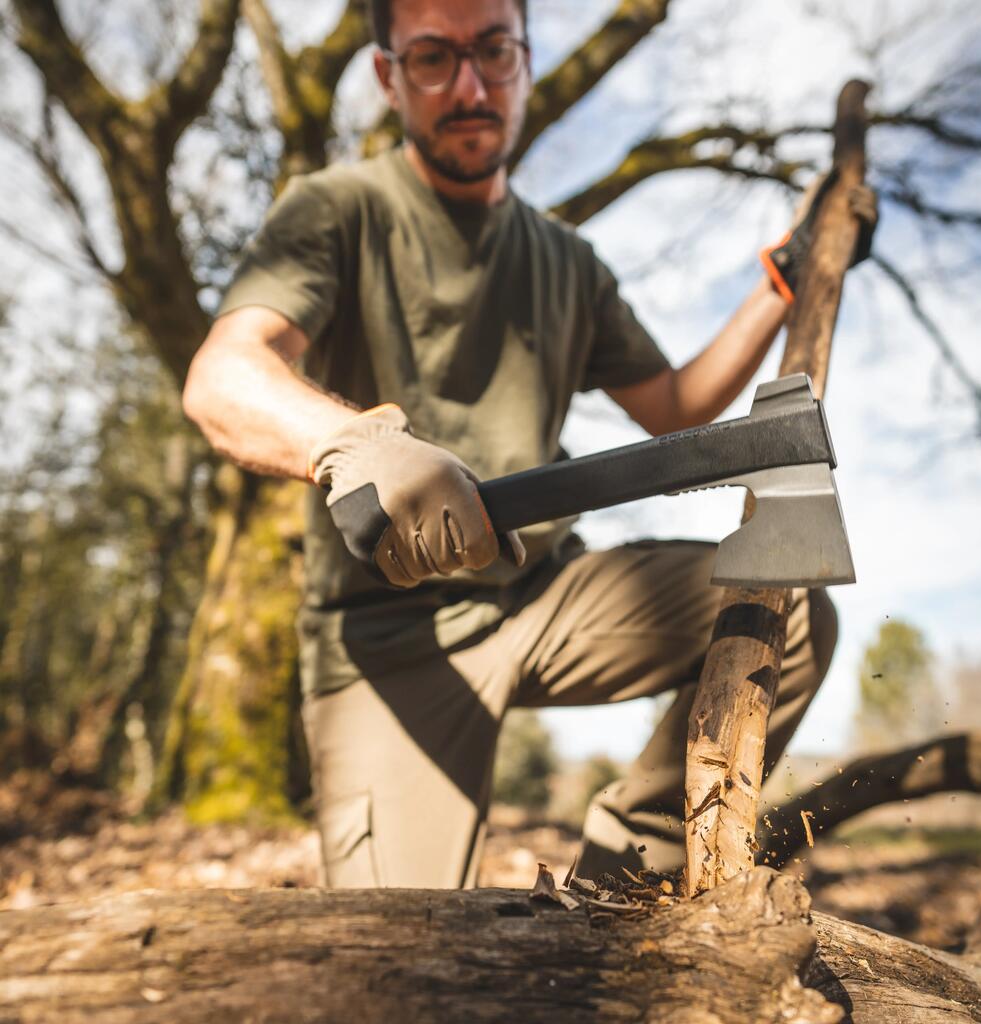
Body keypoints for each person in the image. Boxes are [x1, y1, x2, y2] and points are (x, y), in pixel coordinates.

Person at [182, 0, 875, 889]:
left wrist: (788, 276)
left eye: (493, 51)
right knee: (409, 966)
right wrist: (352, 445)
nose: (469, 85)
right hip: (391, 635)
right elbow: (222, 377)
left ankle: (624, 886)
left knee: (794, 617)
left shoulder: (568, 263)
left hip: (545, 595)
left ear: (525, 62)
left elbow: (676, 407)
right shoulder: (335, 210)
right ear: (390, 77)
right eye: (433, 57)